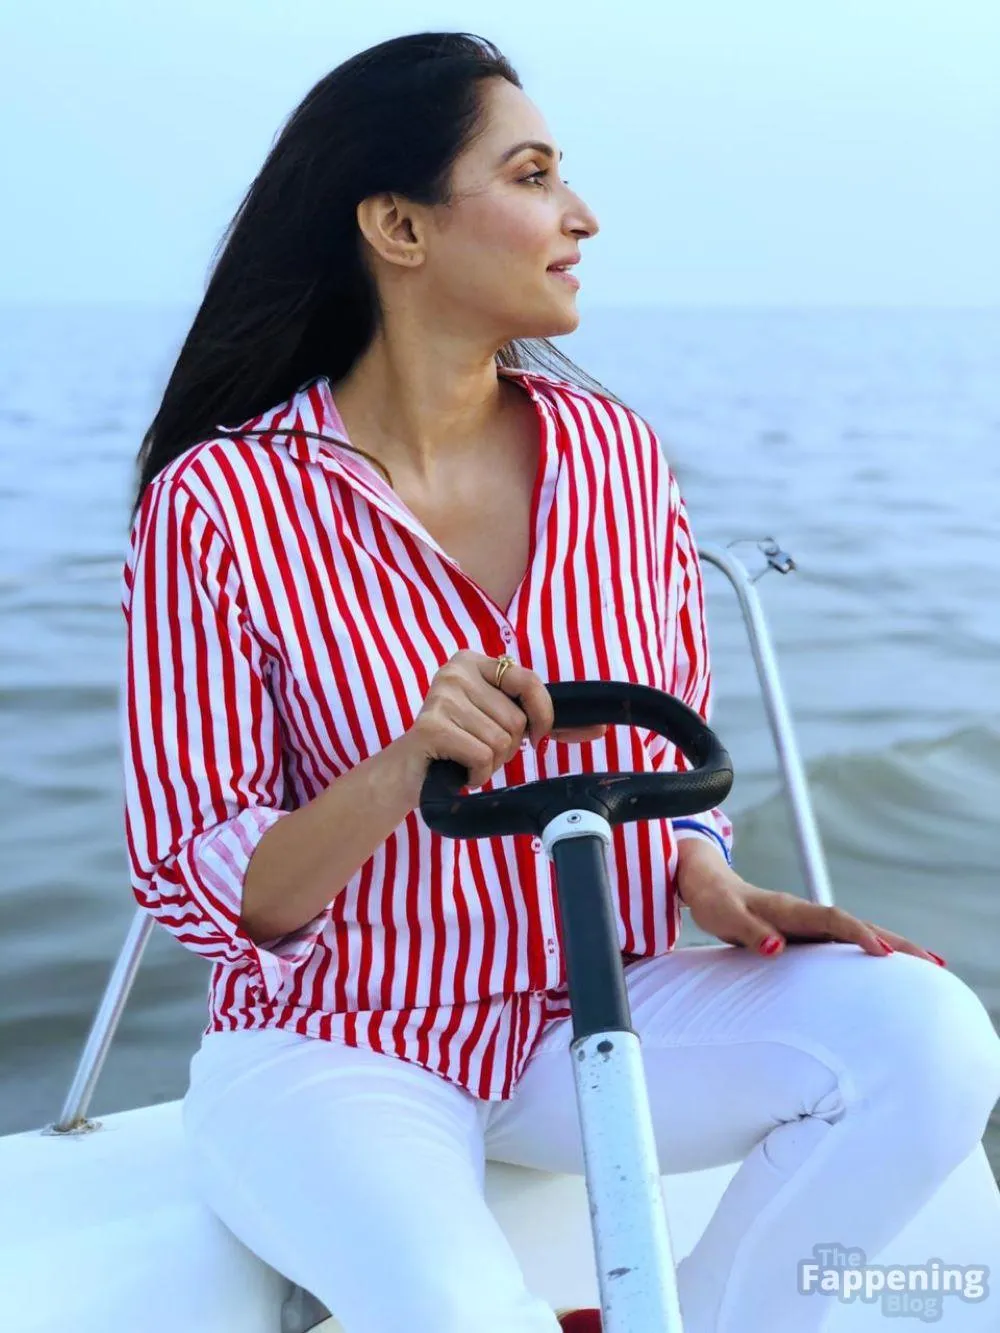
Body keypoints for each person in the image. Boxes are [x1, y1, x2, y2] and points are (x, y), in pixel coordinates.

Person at [120, 30, 1000, 1333]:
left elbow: (667, 750)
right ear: (398, 227)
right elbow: (215, 890)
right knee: (458, 1312)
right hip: (333, 1043)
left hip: (597, 1005)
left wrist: (705, 871)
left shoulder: (618, 458)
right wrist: (403, 765)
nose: (580, 215)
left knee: (931, 1037)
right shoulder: (219, 503)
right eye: (532, 177)